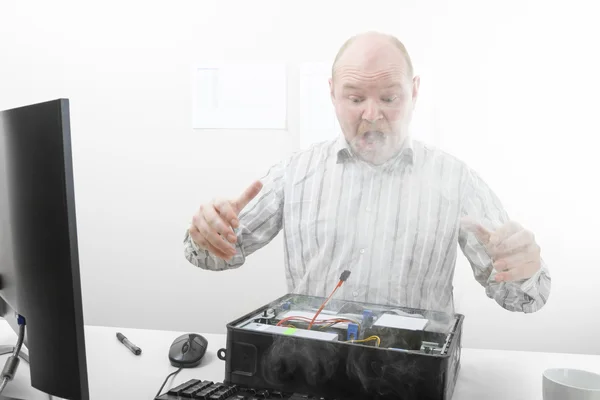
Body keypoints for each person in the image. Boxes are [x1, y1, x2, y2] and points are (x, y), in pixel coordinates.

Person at [184, 31, 550, 314]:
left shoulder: (455, 180)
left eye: (389, 98)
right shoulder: (293, 175)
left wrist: (523, 270)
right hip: (311, 369)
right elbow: (214, 255)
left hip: (415, 376)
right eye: (355, 98)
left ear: (414, 91)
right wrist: (205, 235)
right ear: (332, 94)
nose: (372, 115)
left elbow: (523, 297)